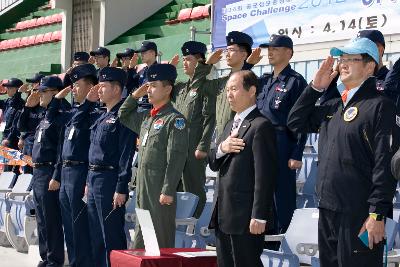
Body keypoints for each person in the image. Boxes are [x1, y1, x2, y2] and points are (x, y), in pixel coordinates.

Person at [287, 37, 397, 266]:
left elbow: (384, 165)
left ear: (370, 66)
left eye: (351, 59)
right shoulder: (335, 106)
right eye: (342, 59)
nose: (343, 64)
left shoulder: (380, 105)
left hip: (359, 214)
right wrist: (315, 87)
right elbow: (295, 122)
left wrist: (377, 214)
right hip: (328, 208)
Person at [208, 70, 277, 267]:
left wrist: (259, 215)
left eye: (234, 89)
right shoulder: (231, 123)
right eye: (227, 90)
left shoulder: (261, 126)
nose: (229, 94)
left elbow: (265, 176)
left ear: (251, 90)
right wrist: (223, 147)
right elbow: (213, 161)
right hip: (223, 215)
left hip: (245, 218)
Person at [119, 63, 189, 249]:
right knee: (142, 236)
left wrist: (167, 189)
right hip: (143, 185)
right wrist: (135, 96)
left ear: (168, 89)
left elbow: (176, 157)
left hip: (159, 188)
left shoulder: (175, 120)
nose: (149, 90)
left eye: (154, 86)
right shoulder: (147, 118)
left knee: (160, 239)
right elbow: (123, 114)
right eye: (148, 86)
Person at [83, 67, 136, 267]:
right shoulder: (101, 116)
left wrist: (121, 187)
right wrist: (89, 181)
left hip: (110, 181)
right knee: (96, 235)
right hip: (94, 179)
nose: (99, 90)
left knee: (111, 236)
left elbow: (125, 156)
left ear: (116, 90)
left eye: (103, 86)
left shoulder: (124, 116)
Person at [48, 64, 98, 267]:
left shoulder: (93, 111)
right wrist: (57, 98)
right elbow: (51, 119)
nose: (73, 89)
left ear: (91, 87)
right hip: (66, 171)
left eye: (77, 85)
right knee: (69, 226)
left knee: (79, 225)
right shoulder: (75, 111)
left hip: (80, 171)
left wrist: (86, 103)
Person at [257, 34, 307, 233]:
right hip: (260, 141)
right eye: (269, 48)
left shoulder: (295, 82)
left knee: (282, 196)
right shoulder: (263, 81)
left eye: (275, 49)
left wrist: (297, 153)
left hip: (282, 143)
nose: (270, 52)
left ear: (289, 53)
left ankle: (285, 240)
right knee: (262, 193)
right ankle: (265, 238)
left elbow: (302, 120)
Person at [28, 75, 71, 267]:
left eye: (44, 91)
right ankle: (45, 257)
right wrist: (28, 108)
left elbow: (61, 150)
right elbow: (23, 126)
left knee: (51, 219)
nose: (40, 95)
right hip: (38, 172)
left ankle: (54, 260)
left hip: (49, 172)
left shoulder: (60, 117)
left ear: (56, 93)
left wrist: (56, 175)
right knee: (42, 219)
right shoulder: (46, 115)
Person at [171, 41, 216, 218]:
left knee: (194, 189)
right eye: (183, 59)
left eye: (188, 59)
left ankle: (195, 225)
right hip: (179, 147)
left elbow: (209, 118)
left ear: (200, 62)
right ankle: (181, 227)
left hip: (194, 146)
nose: (184, 63)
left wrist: (203, 146)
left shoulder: (205, 86)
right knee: (178, 189)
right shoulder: (182, 88)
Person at [191, 31, 254, 138]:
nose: (227, 54)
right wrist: (207, 65)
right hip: (221, 140)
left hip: (240, 139)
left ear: (244, 55)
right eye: (226, 50)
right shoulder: (222, 82)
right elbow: (197, 87)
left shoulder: (251, 82)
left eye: (231, 50)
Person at [17, 73, 45, 174]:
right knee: (27, 174)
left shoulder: (47, 104)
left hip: (40, 145)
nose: (33, 87)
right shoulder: (30, 101)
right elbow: (21, 126)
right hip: (28, 143)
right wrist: (27, 107)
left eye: (34, 84)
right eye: (32, 84)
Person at [1, 78, 25, 173]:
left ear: (16, 89)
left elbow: (16, 124)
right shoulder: (7, 102)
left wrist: (9, 139)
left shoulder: (20, 104)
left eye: (9, 88)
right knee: (7, 167)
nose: (7, 89)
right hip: (5, 138)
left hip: (12, 140)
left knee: (12, 169)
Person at [126, 41, 159, 110]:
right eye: (141, 53)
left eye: (144, 52)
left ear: (153, 53)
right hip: (139, 107)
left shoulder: (160, 70)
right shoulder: (142, 71)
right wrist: (131, 69)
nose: (142, 55)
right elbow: (130, 87)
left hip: (151, 108)